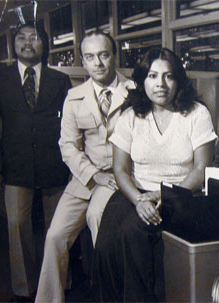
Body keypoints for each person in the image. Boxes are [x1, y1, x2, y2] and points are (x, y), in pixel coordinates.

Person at [92, 47, 217, 302]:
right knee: (105, 246)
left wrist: (161, 194)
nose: (160, 84)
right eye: (152, 76)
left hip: (180, 194)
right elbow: (120, 169)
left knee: (132, 232)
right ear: (142, 80)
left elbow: (201, 169)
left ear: (178, 80)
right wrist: (139, 199)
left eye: (168, 76)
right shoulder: (130, 115)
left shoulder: (196, 113)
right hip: (134, 192)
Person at [35, 30, 133, 303]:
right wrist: (93, 175)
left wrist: (111, 176)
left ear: (115, 56)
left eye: (103, 55)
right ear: (82, 60)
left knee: (98, 221)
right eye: (90, 57)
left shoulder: (135, 92)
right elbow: (68, 145)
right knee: (55, 236)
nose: (98, 63)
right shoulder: (74, 96)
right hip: (85, 178)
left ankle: (110, 296)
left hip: (119, 177)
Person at [0, 22, 72, 301]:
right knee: (17, 229)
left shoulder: (60, 80)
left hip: (54, 166)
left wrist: (71, 167)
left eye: (34, 38)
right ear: (14, 45)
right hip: (15, 167)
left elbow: (70, 127)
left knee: (57, 230)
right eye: (21, 38)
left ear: (44, 45)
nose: (27, 43)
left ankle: (59, 282)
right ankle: (25, 288)